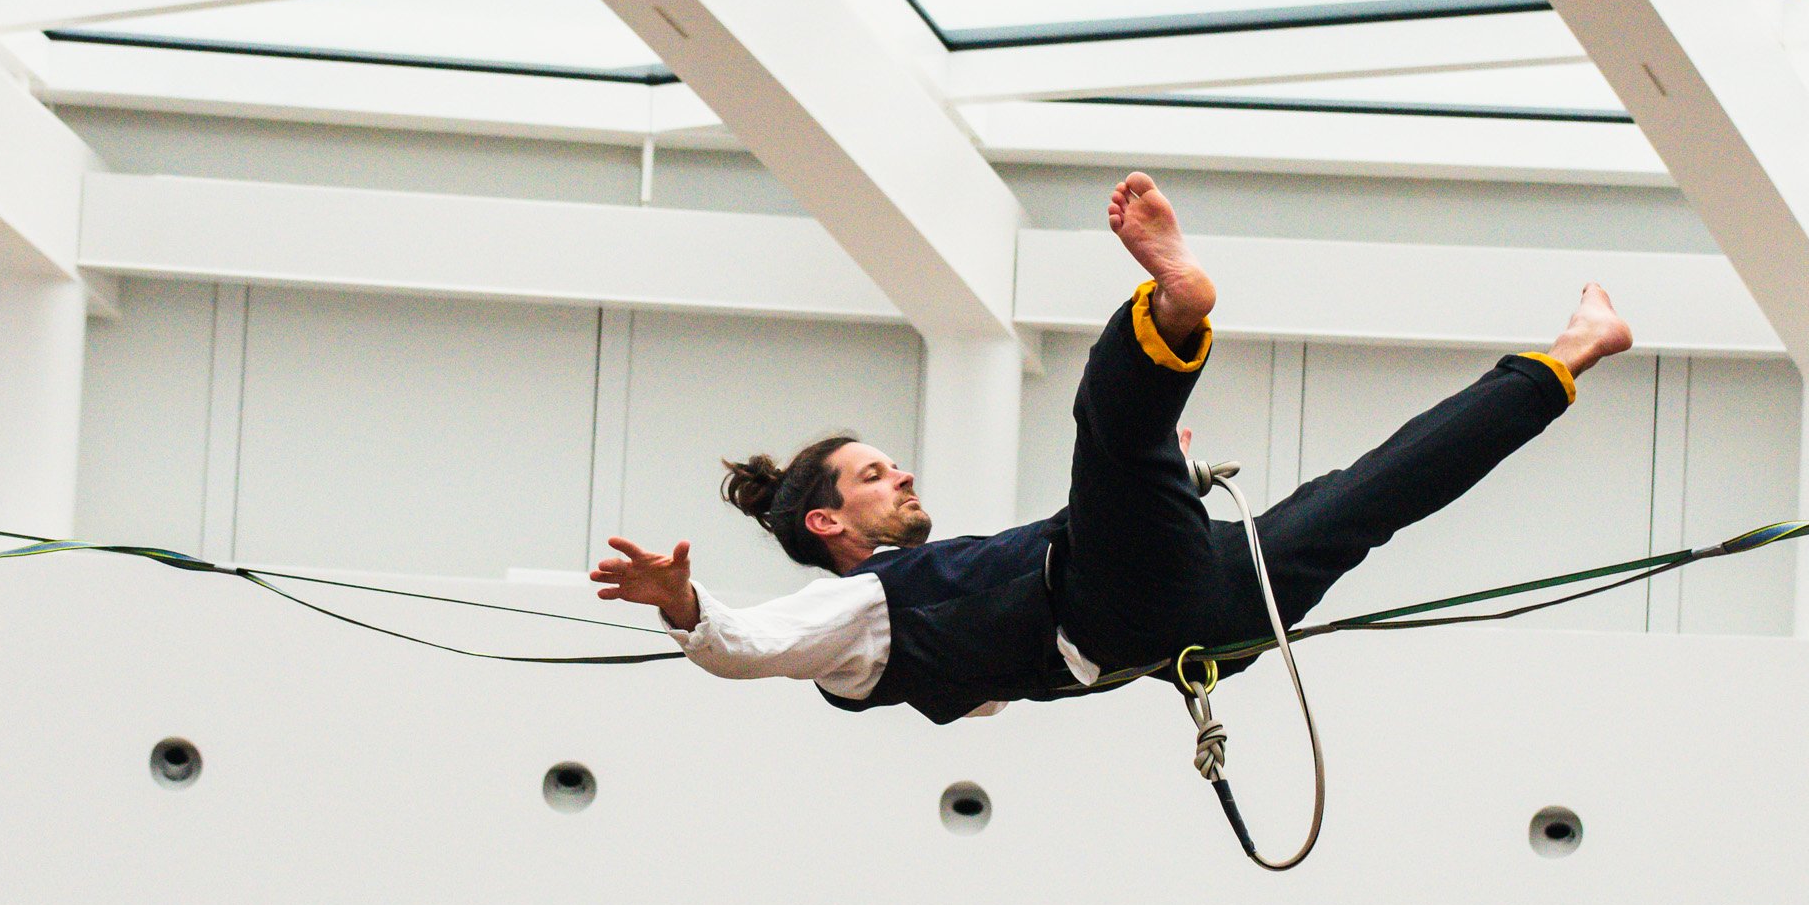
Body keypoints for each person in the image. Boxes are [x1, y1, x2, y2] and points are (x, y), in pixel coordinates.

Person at [591, 174, 1632, 723]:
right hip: (1136, 610)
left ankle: (1571, 354)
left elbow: (985, 690)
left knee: (1373, 490)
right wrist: (683, 605)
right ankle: (1171, 305)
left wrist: (1160, 487)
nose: (900, 471)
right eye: (873, 474)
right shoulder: (855, 612)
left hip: (1209, 616)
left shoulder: (901, 643)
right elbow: (744, 647)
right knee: (1108, 427)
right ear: (827, 522)